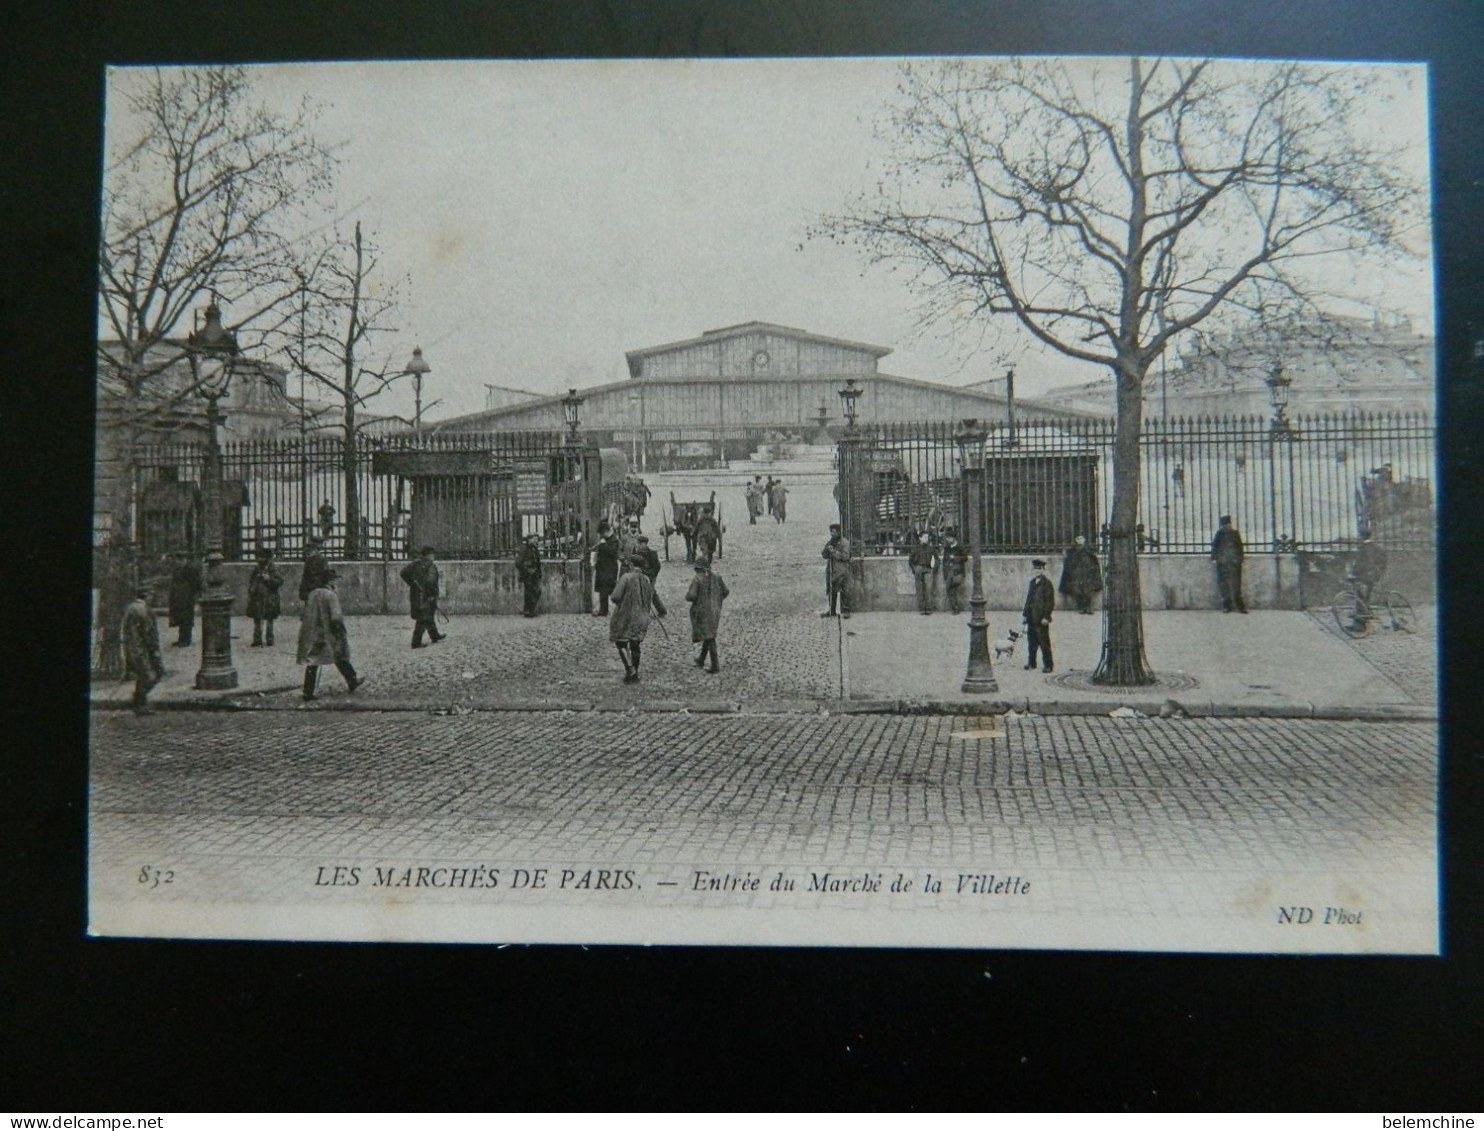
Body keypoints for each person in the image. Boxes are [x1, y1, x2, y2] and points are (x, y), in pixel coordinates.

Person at [297, 569, 363, 700]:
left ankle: (308, 691)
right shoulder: (331, 595)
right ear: (330, 581)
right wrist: (339, 634)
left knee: (313, 660)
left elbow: (304, 614)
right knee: (339, 654)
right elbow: (336, 617)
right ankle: (352, 680)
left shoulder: (312, 594)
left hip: (313, 631)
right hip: (328, 632)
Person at [610, 555, 666, 683]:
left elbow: (615, 597)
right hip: (642, 616)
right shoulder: (646, 579)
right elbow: (650, 596)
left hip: (626, 616)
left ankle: (631, 671)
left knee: (621, 641)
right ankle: (634, 671)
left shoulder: (626, 578)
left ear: (631, 564)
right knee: (635, 644)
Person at [120, 584, 164, 716]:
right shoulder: (142, 610)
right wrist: (155, 651)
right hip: (141, 650)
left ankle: (140, 703)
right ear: (147, 595)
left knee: (144, 675)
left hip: (134, 648)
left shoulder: (132, 608)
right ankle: (139, 703)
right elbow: (148, 634)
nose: (153, 598)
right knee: (153, 674)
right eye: (152, 595)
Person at [686, 558, 729, 674]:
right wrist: (717, 601)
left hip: (701, 612)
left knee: (709, 637)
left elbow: (691, 596)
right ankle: (701, 660)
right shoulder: (717, 577)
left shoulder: (697, 579)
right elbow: (726, 591)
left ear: (698, 568)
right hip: (715, 611)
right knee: (709, 633)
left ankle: (715, 665)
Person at [400, 545, 446, 647]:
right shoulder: (431, 566)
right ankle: (416, 642)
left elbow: (403, 573)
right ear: (430, 555)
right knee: (423, 617)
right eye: (433, 555)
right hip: (427, 595)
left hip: (416, 594)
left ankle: (434, 635)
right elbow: (430, 582)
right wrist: (431, 595)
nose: (433, 557)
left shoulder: (415, 563)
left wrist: (412, 583)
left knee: (428, 615)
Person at [1022, 559, 1055, 673]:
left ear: (1043, 570)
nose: (1037, 570)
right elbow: (1028, 599)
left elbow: (1050, 602)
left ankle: (1048, 665)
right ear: (1033, 570)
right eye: (1036, 568)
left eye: (1040, 568)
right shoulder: (1032, 582)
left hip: (1041, 619)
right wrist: (1025, 614)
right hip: (1031, 617)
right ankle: (1032, 663)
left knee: (1044, 642)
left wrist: (1046, 617)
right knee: (1031, 643)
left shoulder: (1047, 584)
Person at [1210, 515, 1248, 613]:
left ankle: (1240, 606)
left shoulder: (1235, 534)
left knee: (1236, 585)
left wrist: (1240, 559)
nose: (1226, 526)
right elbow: (1215, 547)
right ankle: (1227, 605)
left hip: (1234, 563)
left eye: (1227, 524)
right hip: (1222, 563)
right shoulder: (1219, 534)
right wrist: (1214, 559)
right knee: (1224, 585)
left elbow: (1240, 547)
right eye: (1224, 524)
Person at [246, 549, 283, 646]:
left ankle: (269, 639)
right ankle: (257, 639)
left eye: (262, 557)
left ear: (267, 558)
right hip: (257, 598)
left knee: (269, 619)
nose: (259, 559)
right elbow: (251, 581)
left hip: (270, 598)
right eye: (258, 557)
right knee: (257, 619)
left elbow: (279, 581)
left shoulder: (273, 568)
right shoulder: (257, 569)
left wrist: (269, 579)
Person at [1058, 534, 1102, 615]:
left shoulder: (1089, 550)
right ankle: (1081, 607)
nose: (1080, 541)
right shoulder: (1072, 551)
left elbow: (1094, 562)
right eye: (1078, 539)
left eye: (1081, 539)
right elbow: (1069, 563)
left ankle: (1088, 607)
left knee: (1088, 591)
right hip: (1077, 575)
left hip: (1087, 574)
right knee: (1078, 591)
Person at [167, 550, 201, 647]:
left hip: (187, 598)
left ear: (184, 559)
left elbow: (196, 584)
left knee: (186, 620)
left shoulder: (190, 569)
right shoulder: (178, 569)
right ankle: (181, 639)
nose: (177, 562)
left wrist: (191, 595)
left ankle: (186, 640)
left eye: (179, 559)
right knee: (180, 619)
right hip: (178, 598)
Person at [821, 523, 853, 618]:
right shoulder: (830, 542)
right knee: (832, 591)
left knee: (845, 591)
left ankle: (846, 611)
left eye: (834, 532)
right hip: (832, 570)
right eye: (831, 532)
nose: (832, 534)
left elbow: (845, 556)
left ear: (839, 532)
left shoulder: (844, 543)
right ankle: (832, 610)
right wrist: (827, 550)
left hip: (842, 570)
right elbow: (824, 555)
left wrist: (834, 552)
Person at [1353, 529, 1389, 609]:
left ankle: (1364, 606)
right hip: (1376, 573)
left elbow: (1361, 563)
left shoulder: (1363, 548)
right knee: (1364, 586)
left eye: (1360, 536)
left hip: (1369, 573)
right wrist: (1381, 569)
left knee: (1356, 584)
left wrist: (1354, 573)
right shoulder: (1378, 547)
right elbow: (1384, 560)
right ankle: (1365, 605)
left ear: (1362, 537)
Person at [592, 521, 620, 616]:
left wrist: (603, 545)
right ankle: (603, 610)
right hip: (602, 569)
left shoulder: (614, 540)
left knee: (612, 591)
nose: (601, 536)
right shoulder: (604, 539)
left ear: (606, 531)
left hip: (609, 570)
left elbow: (612, 553)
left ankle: (621, 608)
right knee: (602, 591)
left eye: (602, 533)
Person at [908, 532, 938, 615]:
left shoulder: (931, 548)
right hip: (919, 568)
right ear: (920, 538)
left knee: (928, 589)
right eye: (924, 537)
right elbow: (910, 560)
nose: (926, 539)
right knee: (920, 589)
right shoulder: (916, 548)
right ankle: (921, 608)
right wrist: (914, 569)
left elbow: (937, 559)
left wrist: (934, 569)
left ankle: (928, 608)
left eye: (927, 537)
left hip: (928, 569)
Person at [515, 534, 543, 618]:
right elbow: (518, 563)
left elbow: (538, 562)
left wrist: (539, 572)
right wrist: (527, 569)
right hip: (528, 574)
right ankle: (528, 611)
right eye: (534, 539)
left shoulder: (535, 549)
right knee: (529, 592)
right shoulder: (524, 549)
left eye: (537, 539)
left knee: (536, 591)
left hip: (535, 574)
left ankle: (530, 610)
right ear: (529, 540)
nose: (536, 541)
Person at [940, 530, 967, 614]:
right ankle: (955, 608)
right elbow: (944, 561)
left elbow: (965, 558)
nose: (947, 540)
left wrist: (955, 558)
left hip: (957, 571)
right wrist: (945, 573)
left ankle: (955, 607)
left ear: (953, 538)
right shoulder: (947, 547)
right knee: (950, 588)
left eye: (948, 538)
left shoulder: (960, 546)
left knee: (951, 587)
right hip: (949, 571)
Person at [298, 536, 331, 603]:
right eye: (321, 543)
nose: (322, 545)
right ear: (317, 545)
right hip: (317, 586)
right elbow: (325, 573)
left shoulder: (309, 555)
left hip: (308, 586)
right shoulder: (319, 558)